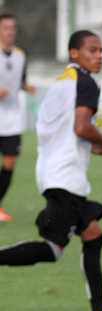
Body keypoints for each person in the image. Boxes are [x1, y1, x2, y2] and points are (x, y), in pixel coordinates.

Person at [0, 30, 102, 311]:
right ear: (74, 53)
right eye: (92, 50)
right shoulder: (86, 82)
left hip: (54, 171)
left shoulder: (63, 80)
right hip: (65, 177)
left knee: (93, 236)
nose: (99, 55)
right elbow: (80, 126)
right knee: (52, 250)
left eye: (101, 50)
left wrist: (93, 142)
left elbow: (63, 128)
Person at [0, 12, 36, 222]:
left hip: (12, 120)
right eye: (6, 27)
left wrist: (25, 86)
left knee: (10, 163)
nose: (10, 31)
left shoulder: (21, 54)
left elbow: (20, 79)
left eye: (13, 27)